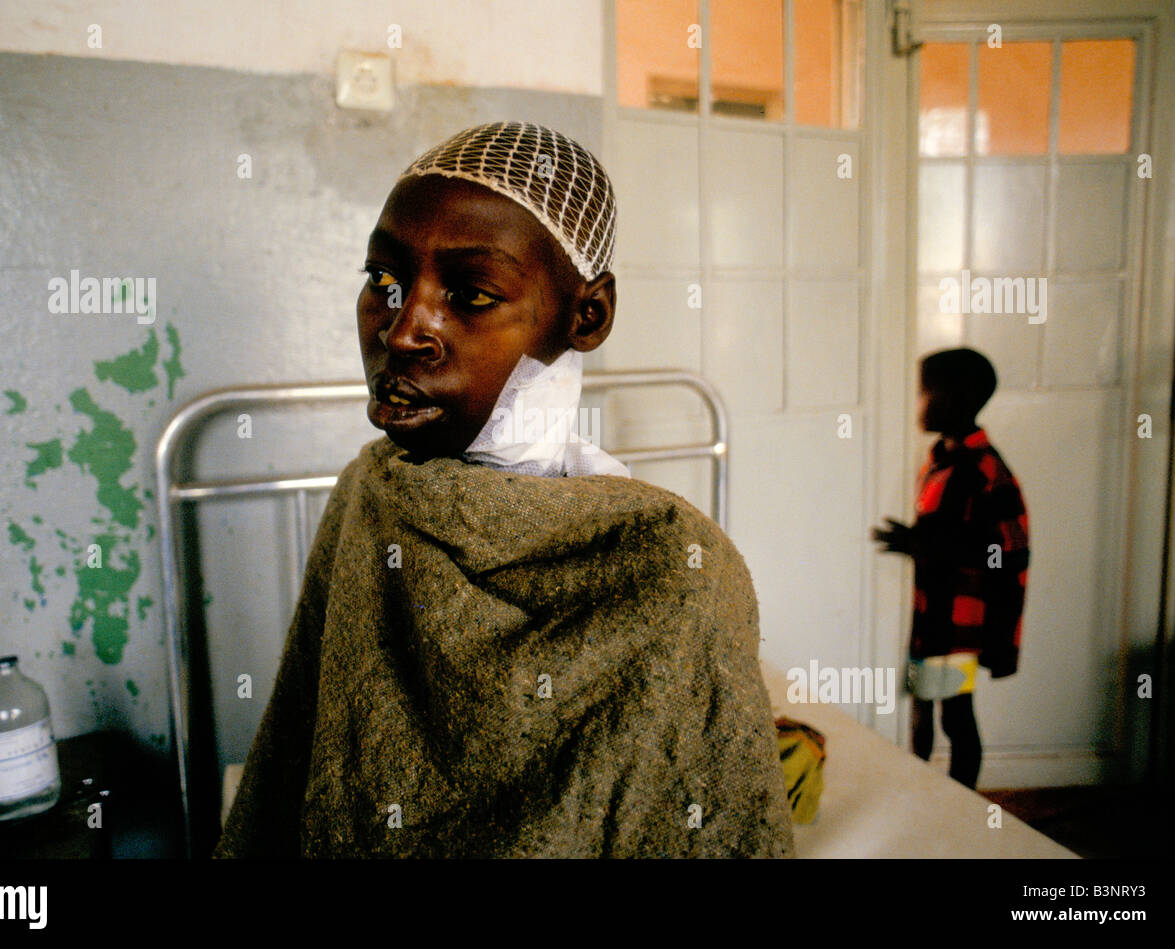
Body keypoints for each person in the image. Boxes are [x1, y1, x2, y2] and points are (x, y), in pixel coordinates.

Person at [214, 121, 795, 857]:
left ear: (587, 316)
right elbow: (303, 743)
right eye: (384, 284)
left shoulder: (670, 569)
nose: (402, 331)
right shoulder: (371, 496)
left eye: (471, 293)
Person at [871, 347, 1030, 789]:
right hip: (934, 610)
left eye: (925, 393)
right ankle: (920, 790)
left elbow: (997, 547)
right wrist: (915, 542)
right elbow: (945, 532)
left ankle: (963, 802)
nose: (918, 403)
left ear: (954, 399)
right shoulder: (942, 458)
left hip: (961, 617)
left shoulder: (983, 468)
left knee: (955, 713)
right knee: (923, 703)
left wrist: (921, 543)